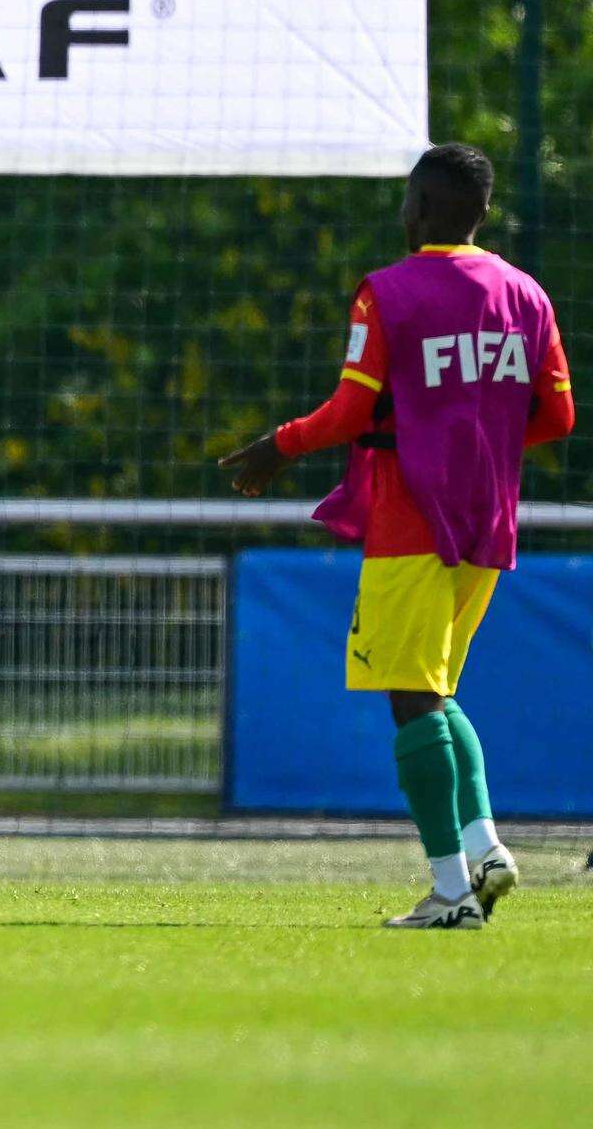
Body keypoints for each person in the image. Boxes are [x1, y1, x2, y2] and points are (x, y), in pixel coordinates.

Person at [221, 143, 572, 929]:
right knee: (436, 690)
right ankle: (485, 851)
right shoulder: (527, 294)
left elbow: (350, 412)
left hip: (411, 517)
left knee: (409, 697)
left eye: (409, 201)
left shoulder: (389, 293)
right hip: (488, 518)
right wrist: (474, 436)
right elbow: (558, 416)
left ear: (422, 207)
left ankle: (453, 890)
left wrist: (276, 446)